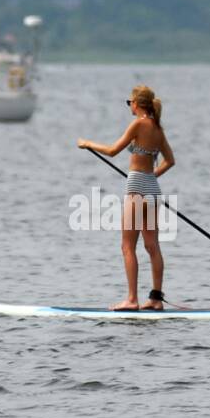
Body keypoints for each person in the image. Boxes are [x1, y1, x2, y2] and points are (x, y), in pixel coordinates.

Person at [77, 85, 176, 310]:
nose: (129, 106)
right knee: (152, 245)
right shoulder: (158, 129)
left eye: (129, 102)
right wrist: (151, 176)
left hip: (137, 188)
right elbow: (170, 161)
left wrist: (87, 144)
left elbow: (113, 151)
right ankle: (156, 299)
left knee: (127, 246)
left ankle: (132, 299)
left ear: (137, 103)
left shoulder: (139, 123)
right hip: (152, 188)